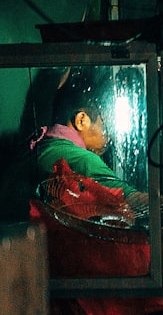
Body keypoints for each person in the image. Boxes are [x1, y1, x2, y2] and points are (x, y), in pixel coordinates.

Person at [31, 71, 149, 217]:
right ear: (81, 120)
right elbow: (132, 198)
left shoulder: (41, 146)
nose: (109, 138)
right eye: (106, 127)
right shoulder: (83, 159)